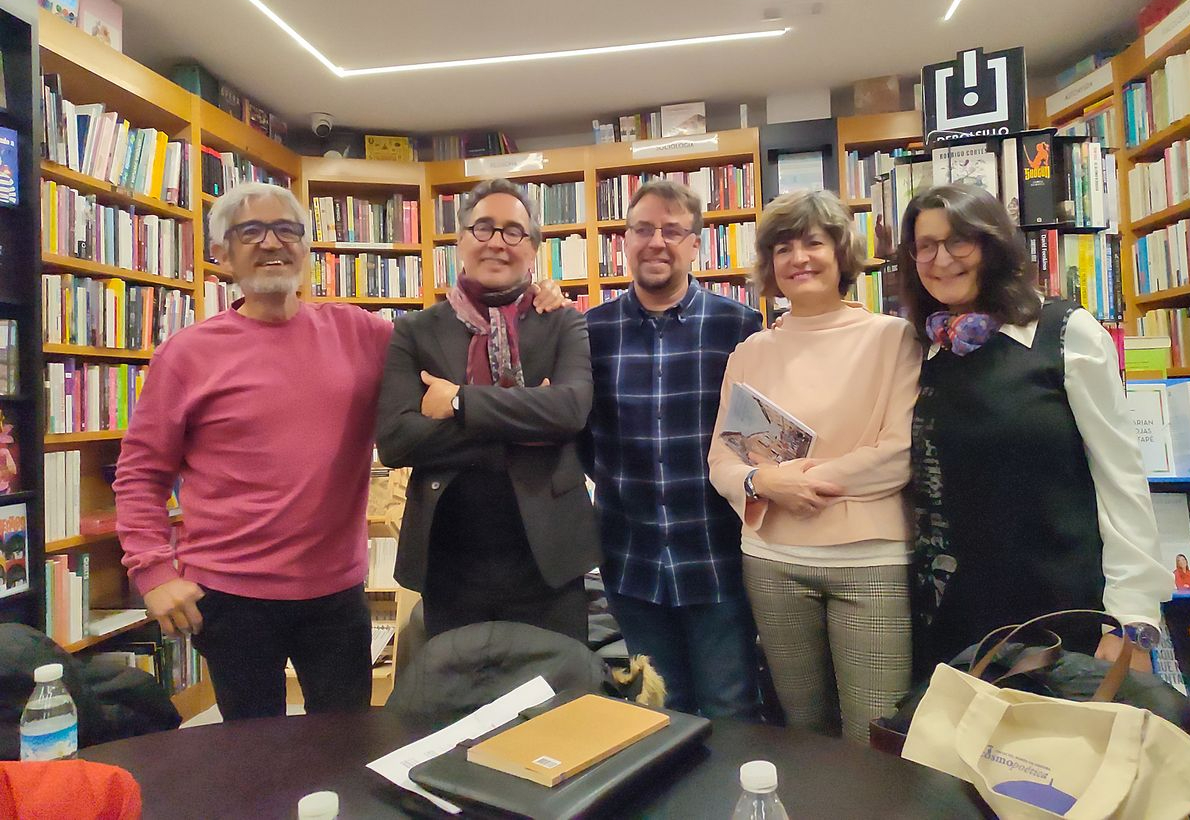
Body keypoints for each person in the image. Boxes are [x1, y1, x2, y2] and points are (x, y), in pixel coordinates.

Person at [115, 181, 565, 720]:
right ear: (221, 253)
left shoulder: (358, 331)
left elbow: (449, 345)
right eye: (251, 232)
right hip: (229, 595)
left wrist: (529, 305)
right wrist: (154, 573)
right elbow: (141, 471)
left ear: (307, 247)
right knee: (250, 752)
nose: (272, 243)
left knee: (345, 742)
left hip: (336, 594)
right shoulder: (186, 355)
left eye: (287, 230)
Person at [897, 183, 1173, 678]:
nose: (942, 259)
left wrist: (1132, 616)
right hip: (954, 614)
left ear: (992, 244)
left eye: (959, 240)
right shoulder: (925, 351)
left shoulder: (1062, 332)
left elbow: (1121, 477)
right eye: (926, 245)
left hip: (1061, 609)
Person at [708, 190, 921, 743]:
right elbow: (722, 461)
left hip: (869, 562)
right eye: (783, 247)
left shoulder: (893, 338)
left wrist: (794, 485)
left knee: (875, 735)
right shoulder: (751, 351)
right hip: (770, 560)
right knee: (800, 731)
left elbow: (897, 454)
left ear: (841, 253)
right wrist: (761, 482)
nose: (798, 257)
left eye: (813, 242)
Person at [375, 178, 598, 642]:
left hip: (549, 558)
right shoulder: (415, 331)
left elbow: (571, 410)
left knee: (560, 704)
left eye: (513, 231)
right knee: (462, 704)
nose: (497, 242)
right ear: (460, 242)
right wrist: (525, 414)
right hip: (449, 559)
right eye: (483, 228)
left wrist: (458, 402)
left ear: (534, 249)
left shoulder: (563, 321)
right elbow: (396, 440)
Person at [584, 179, 762, 718]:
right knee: (657, 712)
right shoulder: (590, 332)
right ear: (624, 240)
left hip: (717, 556)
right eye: (642, 228)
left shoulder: (740, 326)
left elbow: (757, 442)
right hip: (631, 561)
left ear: (695, 243)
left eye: (672, 230)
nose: (655, 241)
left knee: (729, 707)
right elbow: (580, 438)